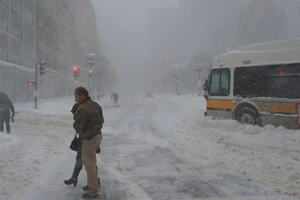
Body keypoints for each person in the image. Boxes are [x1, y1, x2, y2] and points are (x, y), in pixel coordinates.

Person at [73, 87, 104, 199]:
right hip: (98, 135)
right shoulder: (96, 105)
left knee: (89, 165)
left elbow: (79, 126)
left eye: (76, 96)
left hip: (89, 138)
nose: (75, 99)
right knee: (92, 162)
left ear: (82, 95)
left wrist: (75, 116)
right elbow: (101, 121)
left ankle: (93, 192)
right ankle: (94, 184)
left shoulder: (82, 108)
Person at [64, 104, 100, 190]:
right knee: (85, 161)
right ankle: (92, 181)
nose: (74, 116)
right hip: (83, 142)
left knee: (88, 163)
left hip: (87, 142)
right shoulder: (84, 115)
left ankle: (93, 182)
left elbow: (86, 129)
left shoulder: (84, 116)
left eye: (74, 113)